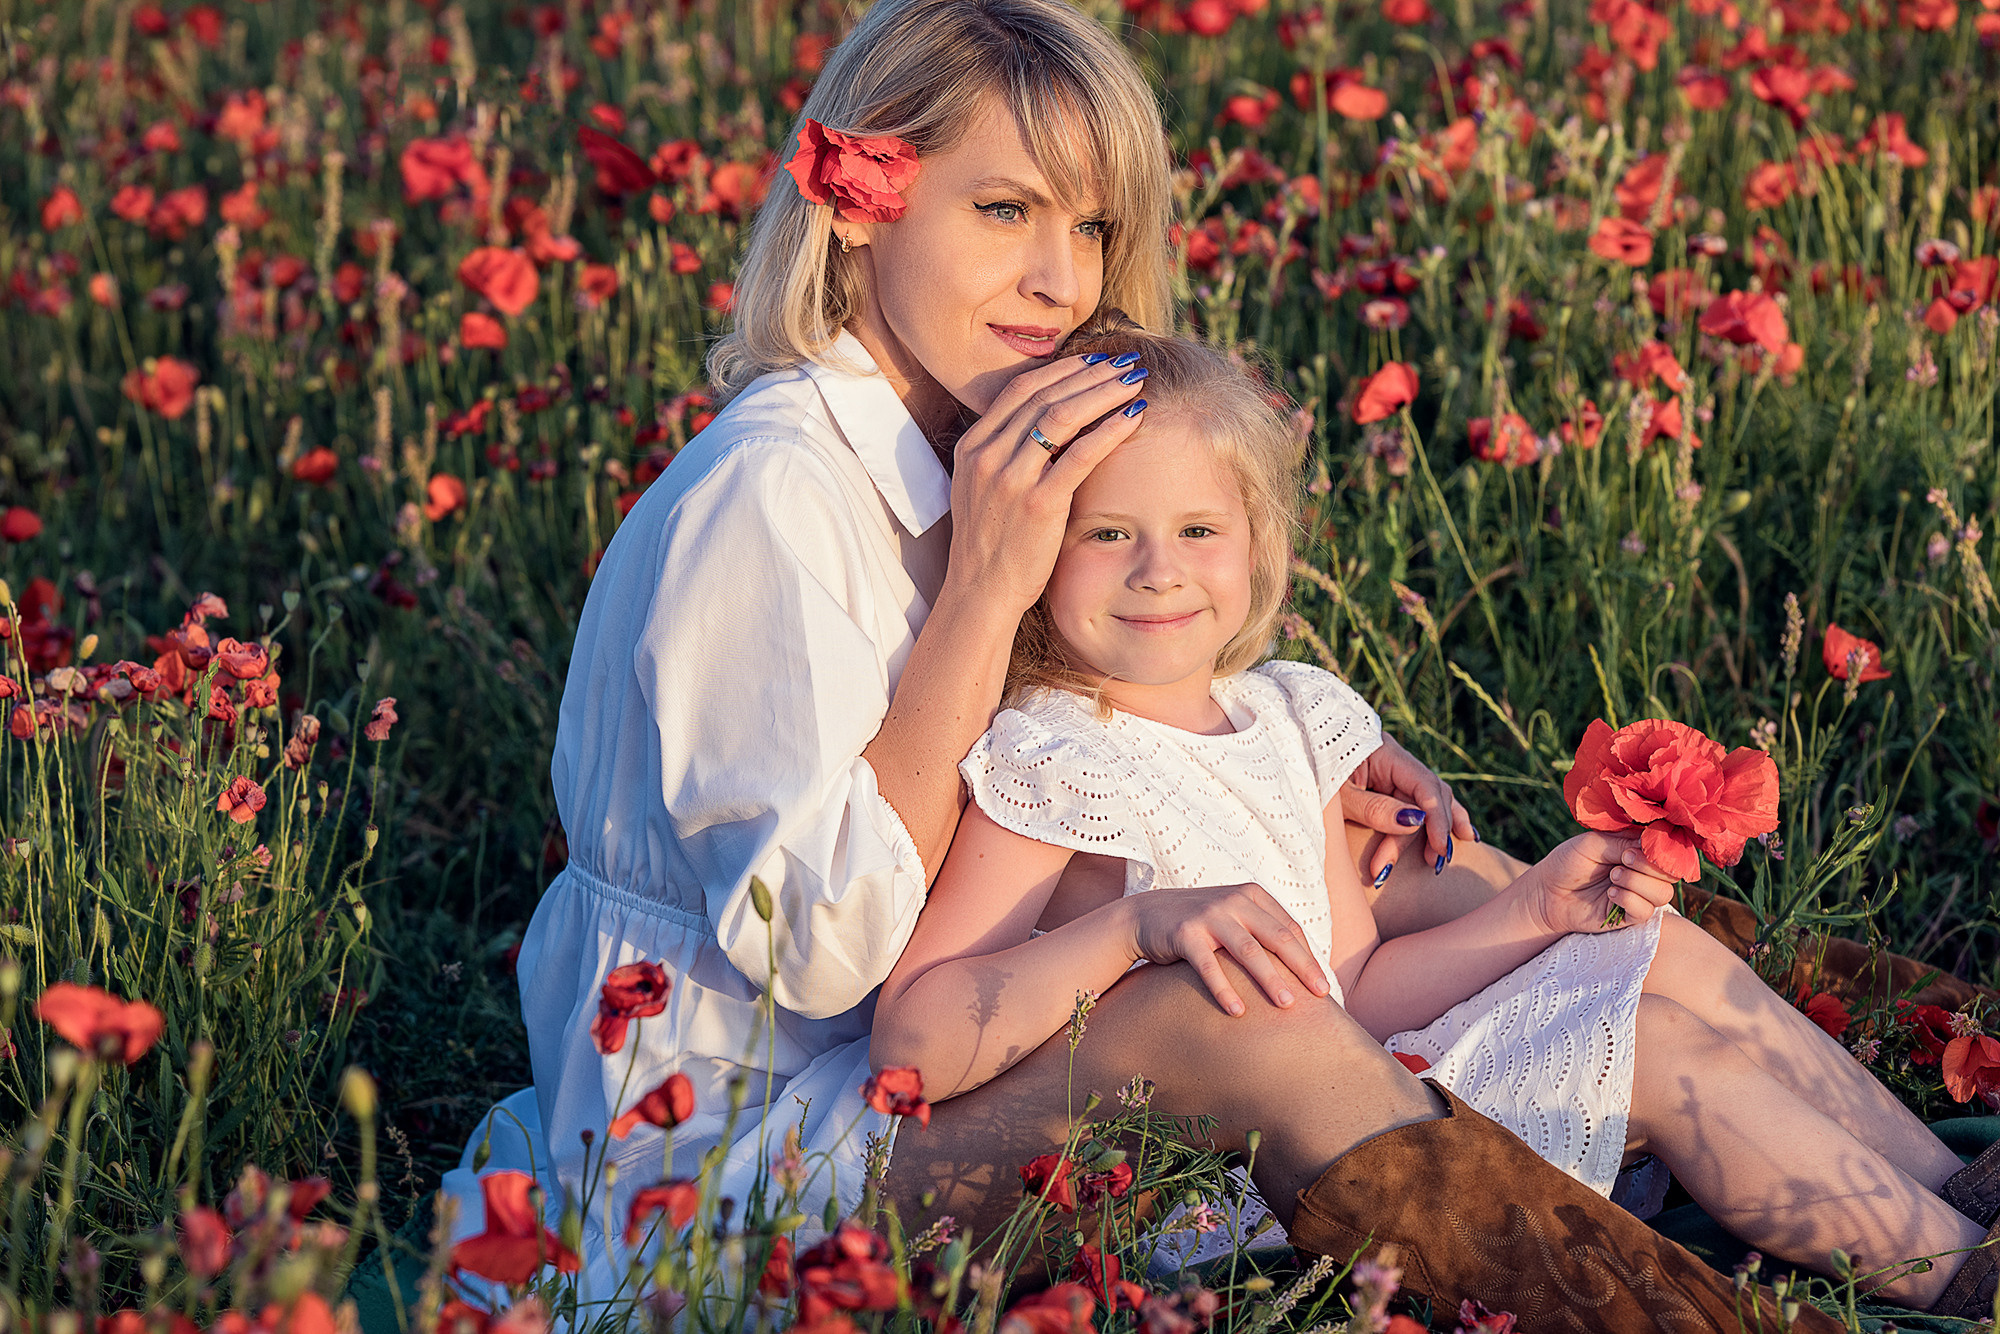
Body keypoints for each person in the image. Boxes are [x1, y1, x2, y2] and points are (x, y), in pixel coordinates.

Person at [440, 0, 1903, 1325]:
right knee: (1242, 1008)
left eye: (1088, 228)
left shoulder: (962, 432)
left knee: (1418, 866)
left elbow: (1084, 704)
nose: (1056, 278)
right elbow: (815, 954)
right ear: (859, 203)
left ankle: (1932, 1180)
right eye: (1004, 209)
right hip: (749, 1155)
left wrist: (1284, 763)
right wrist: (994, 598)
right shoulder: (769, 497)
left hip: (937, 1047)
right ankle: (1664, 1314)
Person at [869, 316, 2000, 1319]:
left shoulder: (1285, 721)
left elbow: (1351, 986)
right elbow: (914, 1042)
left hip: (1369, 1067)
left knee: (1656, 963)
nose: (1158, 571)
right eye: (1105, 532)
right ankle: (1956, 1274)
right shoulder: (1053, 757)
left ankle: (1957, 1194)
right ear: (1034, 552)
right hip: (1245, 1181)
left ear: (1256, 539)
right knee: (1651, 1050)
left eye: (1197, 531)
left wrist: (1526, 909)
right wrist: (1130, 927)